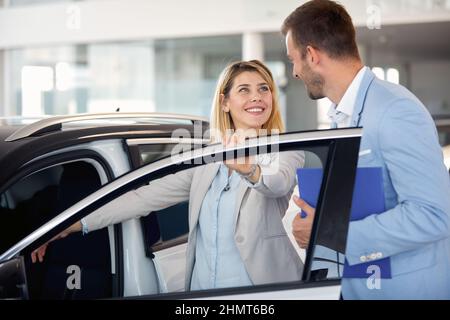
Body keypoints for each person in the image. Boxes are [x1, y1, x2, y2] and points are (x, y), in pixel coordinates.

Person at [32, 60, 305, 291]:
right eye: (244, 90)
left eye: (264, 89)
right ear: (225, 102)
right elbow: (142, 197)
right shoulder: (206, 159)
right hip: (205, 291)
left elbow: (277, 183)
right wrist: (70, 225)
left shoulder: (282, 148)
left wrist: (250, 169)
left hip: (261, 292)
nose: (257, 97)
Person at [282, 0, 450, 299]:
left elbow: (434, 215)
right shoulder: (341, 114)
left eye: (293, 59)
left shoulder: (395, 110)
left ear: (311, 55)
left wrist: (328, 233)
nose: (294, 71)